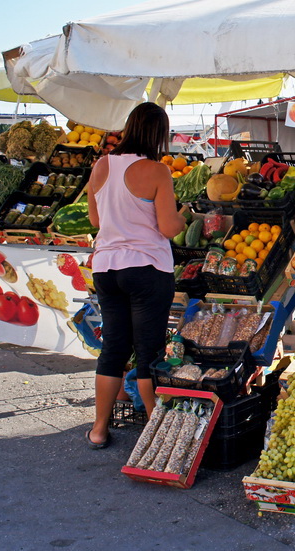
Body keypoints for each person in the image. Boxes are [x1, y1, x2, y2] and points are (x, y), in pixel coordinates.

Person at [85, 103, 186, 449]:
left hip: (106, 268)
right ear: (158, 134)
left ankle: (99, 429)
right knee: (148, 351)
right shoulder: (156, 171)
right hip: (146, 268)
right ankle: (153, 429)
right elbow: (169, 227)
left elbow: (96, 222)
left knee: (113, 347)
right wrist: (184, 217)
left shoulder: (101, 166)